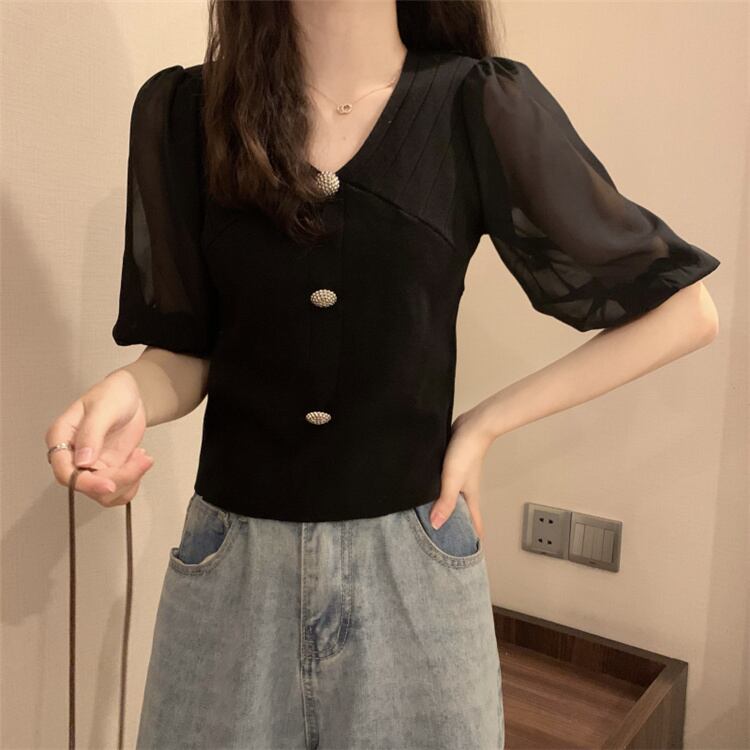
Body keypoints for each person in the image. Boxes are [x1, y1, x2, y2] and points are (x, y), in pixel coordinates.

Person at [45, 1, 720, 748]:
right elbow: (183, 352)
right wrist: (128, 394)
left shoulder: (474, 102)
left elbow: (683, 312)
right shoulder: (187, 113)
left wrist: (485, 424)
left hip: (413, 572)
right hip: (231, 571)